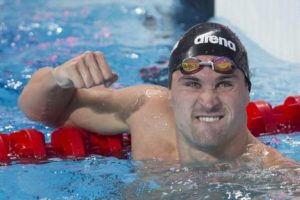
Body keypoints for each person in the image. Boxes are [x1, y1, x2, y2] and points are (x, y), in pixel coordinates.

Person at [18, 22, 298, 168]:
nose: (209, 101)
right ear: (171, 92)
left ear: (247, 93)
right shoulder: (147, 109)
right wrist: (58, 78)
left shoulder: (273, 175)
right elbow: (40, 111)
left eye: (225, 84)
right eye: (192, 84)